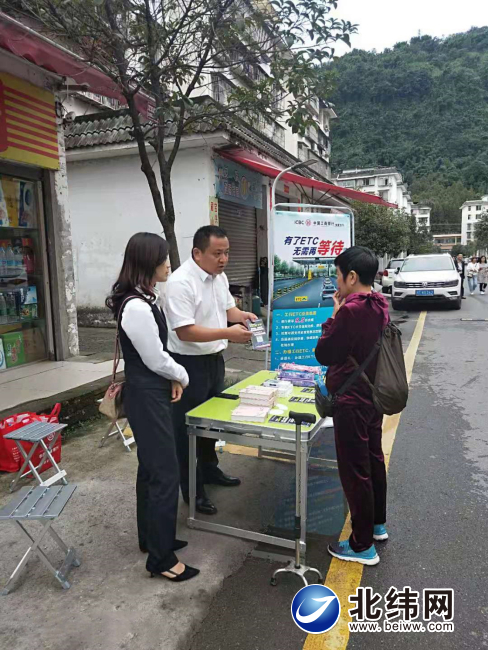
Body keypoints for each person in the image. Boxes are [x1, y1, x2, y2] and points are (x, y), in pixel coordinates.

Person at [106, 232, 199, 583]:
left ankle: (153, 538)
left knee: (151, 470)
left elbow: (155, 361)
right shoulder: (136, 306)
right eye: (163, 258)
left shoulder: (144, 298)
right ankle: (162, 559)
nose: (168, 263)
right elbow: (155, 357)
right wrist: (181, 374)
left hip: (150, 390)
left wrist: (171, 378)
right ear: (148, 262)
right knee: (164, 473)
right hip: (146, 396)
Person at [165, 226, 257, 515]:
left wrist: (244, 317)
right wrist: (228, 334)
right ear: (197, 253)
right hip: (186, 366)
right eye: (217, 253)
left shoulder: (219, 277)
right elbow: (185, 331)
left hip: (214, 361)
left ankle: (210, 470)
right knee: (187, 430)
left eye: (226, 252)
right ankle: (193, 491)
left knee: (210, 424)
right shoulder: (180, 282)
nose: (224, 259)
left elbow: (228, 310)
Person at [315, 246, 389, 566]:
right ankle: (377, 525)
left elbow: (325, 353)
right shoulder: (380, 303)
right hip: (373, 398)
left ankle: (361, 546)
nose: (337, 281)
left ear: (352, 276)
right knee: (373, 461)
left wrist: (333, 314)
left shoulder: (351, 309)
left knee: (355, 471)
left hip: (351, 401)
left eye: (338, 275)